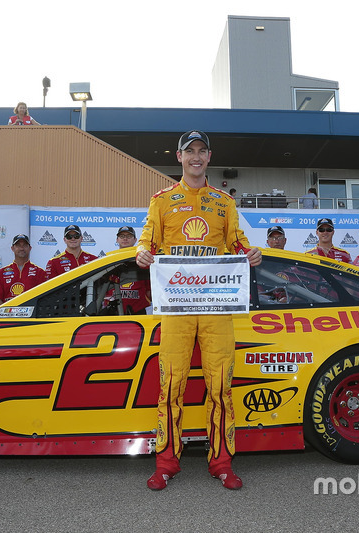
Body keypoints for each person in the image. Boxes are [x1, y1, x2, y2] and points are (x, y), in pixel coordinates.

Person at [136, 130, 261, 491]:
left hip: (216, 309)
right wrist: (141, 252)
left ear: (209, 157)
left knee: (220, 386)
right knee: (170, 385)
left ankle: (222, 462)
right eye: (189, 151)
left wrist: (253, 252)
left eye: (201, 151)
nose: (195, 157)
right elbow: (147, 238)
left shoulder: (224, 202)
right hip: (176, 308)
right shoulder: (161, 200)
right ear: (179, 157)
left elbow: (237, 240)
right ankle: (166, 463)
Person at [103, 226, 151, 314]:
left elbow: (149, 292)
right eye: (122, 236)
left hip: (138, 312)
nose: (125, 239)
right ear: (117, 239)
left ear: (135, 240)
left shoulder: (141, 260)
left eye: (128, 236)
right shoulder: (109, 260)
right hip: (112, 312)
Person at [0, 234, 46, 306]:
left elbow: (43, 298)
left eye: (25, 245)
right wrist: (4, 314)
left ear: (30, 248)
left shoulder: (39, 272)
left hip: (30, 315)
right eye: (18, 245)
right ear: (12, 248)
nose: (21, 248)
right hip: (6, 315)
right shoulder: (2, 273)